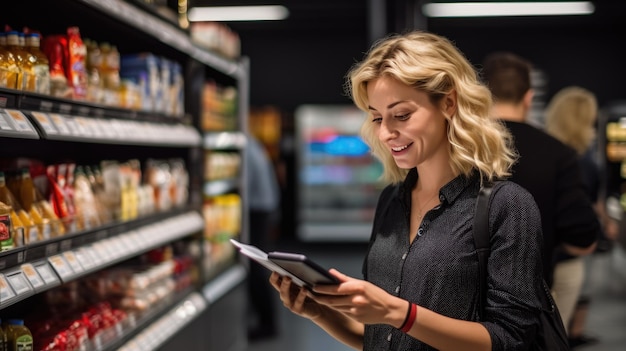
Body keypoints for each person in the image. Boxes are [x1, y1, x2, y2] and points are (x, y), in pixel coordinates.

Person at [270, 30, 548, 350]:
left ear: (448, 102)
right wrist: (319, 312)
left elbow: (511, 340)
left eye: (401, 115)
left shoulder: (508, 206)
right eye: (377, 118)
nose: (387, 133)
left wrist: (396, 312)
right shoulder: (391, 200)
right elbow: (381, 337)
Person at [481, 52, 600, 290]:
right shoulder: (558, 154)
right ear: (529, 98)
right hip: (530, 296)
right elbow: (583, 238)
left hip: (458, 301)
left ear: (482, 97)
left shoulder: (456, 150)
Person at [544, 86, 618, 347]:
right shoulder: (582, 161)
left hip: (545, 248)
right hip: (569, 250)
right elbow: (590, 205)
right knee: (555, 326)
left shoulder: (546, 153)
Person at [245, 134, 281, 340]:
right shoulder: (255, 143)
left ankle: (267, 323)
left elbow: (245, 185)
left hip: (255, 211)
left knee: (256, 266)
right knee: (259, 263)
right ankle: (266, 320)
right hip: (264, 209)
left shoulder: (246, 146)